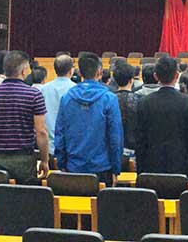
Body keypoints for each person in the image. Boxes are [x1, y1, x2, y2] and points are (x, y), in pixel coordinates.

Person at [55, 52, 123, 185]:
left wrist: (62, 163)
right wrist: (116, 168)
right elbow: (115, 137)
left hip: (73, 167)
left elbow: (60, 134)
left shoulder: (66, 98)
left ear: (79, 72)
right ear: (100, 72)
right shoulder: (109, 99)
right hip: (102, 167)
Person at [135, 56, 188, 181]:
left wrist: (140, 172)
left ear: (156, 76)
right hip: (181, 167)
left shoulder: (144, 102)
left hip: (151, 166)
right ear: (177, 75)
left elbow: (140, 141)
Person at [0, 51, 48, 185]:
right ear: (24, 71)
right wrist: (44, 160)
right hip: (23, 161)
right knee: (25, 196)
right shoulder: (34, 95)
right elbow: (41, 132)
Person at [40, 54, 75, 156]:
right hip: (70, 147)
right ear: (71, 71)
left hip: (47, 147)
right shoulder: (76, 90)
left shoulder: (43, 89)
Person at [113, 63, 139, 157]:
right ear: (131, 80)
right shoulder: (139, 100)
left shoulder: (108, 99)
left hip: (113, 147)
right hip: (135, 148)